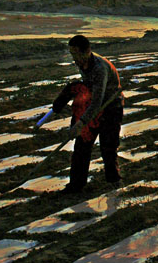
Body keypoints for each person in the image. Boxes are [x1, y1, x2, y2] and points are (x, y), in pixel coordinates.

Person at [52, 34, 124, 194]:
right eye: (72, 54)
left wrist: (81, 122)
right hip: (93, 105)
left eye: (76, 54)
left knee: (108, 146)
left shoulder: (99, 69)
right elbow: (88, 92)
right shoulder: (82, 63)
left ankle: (114, 182)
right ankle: (76, 185)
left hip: (111, 106)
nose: (74, 58)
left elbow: (97, 102)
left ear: (87, 51)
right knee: (81, 146)